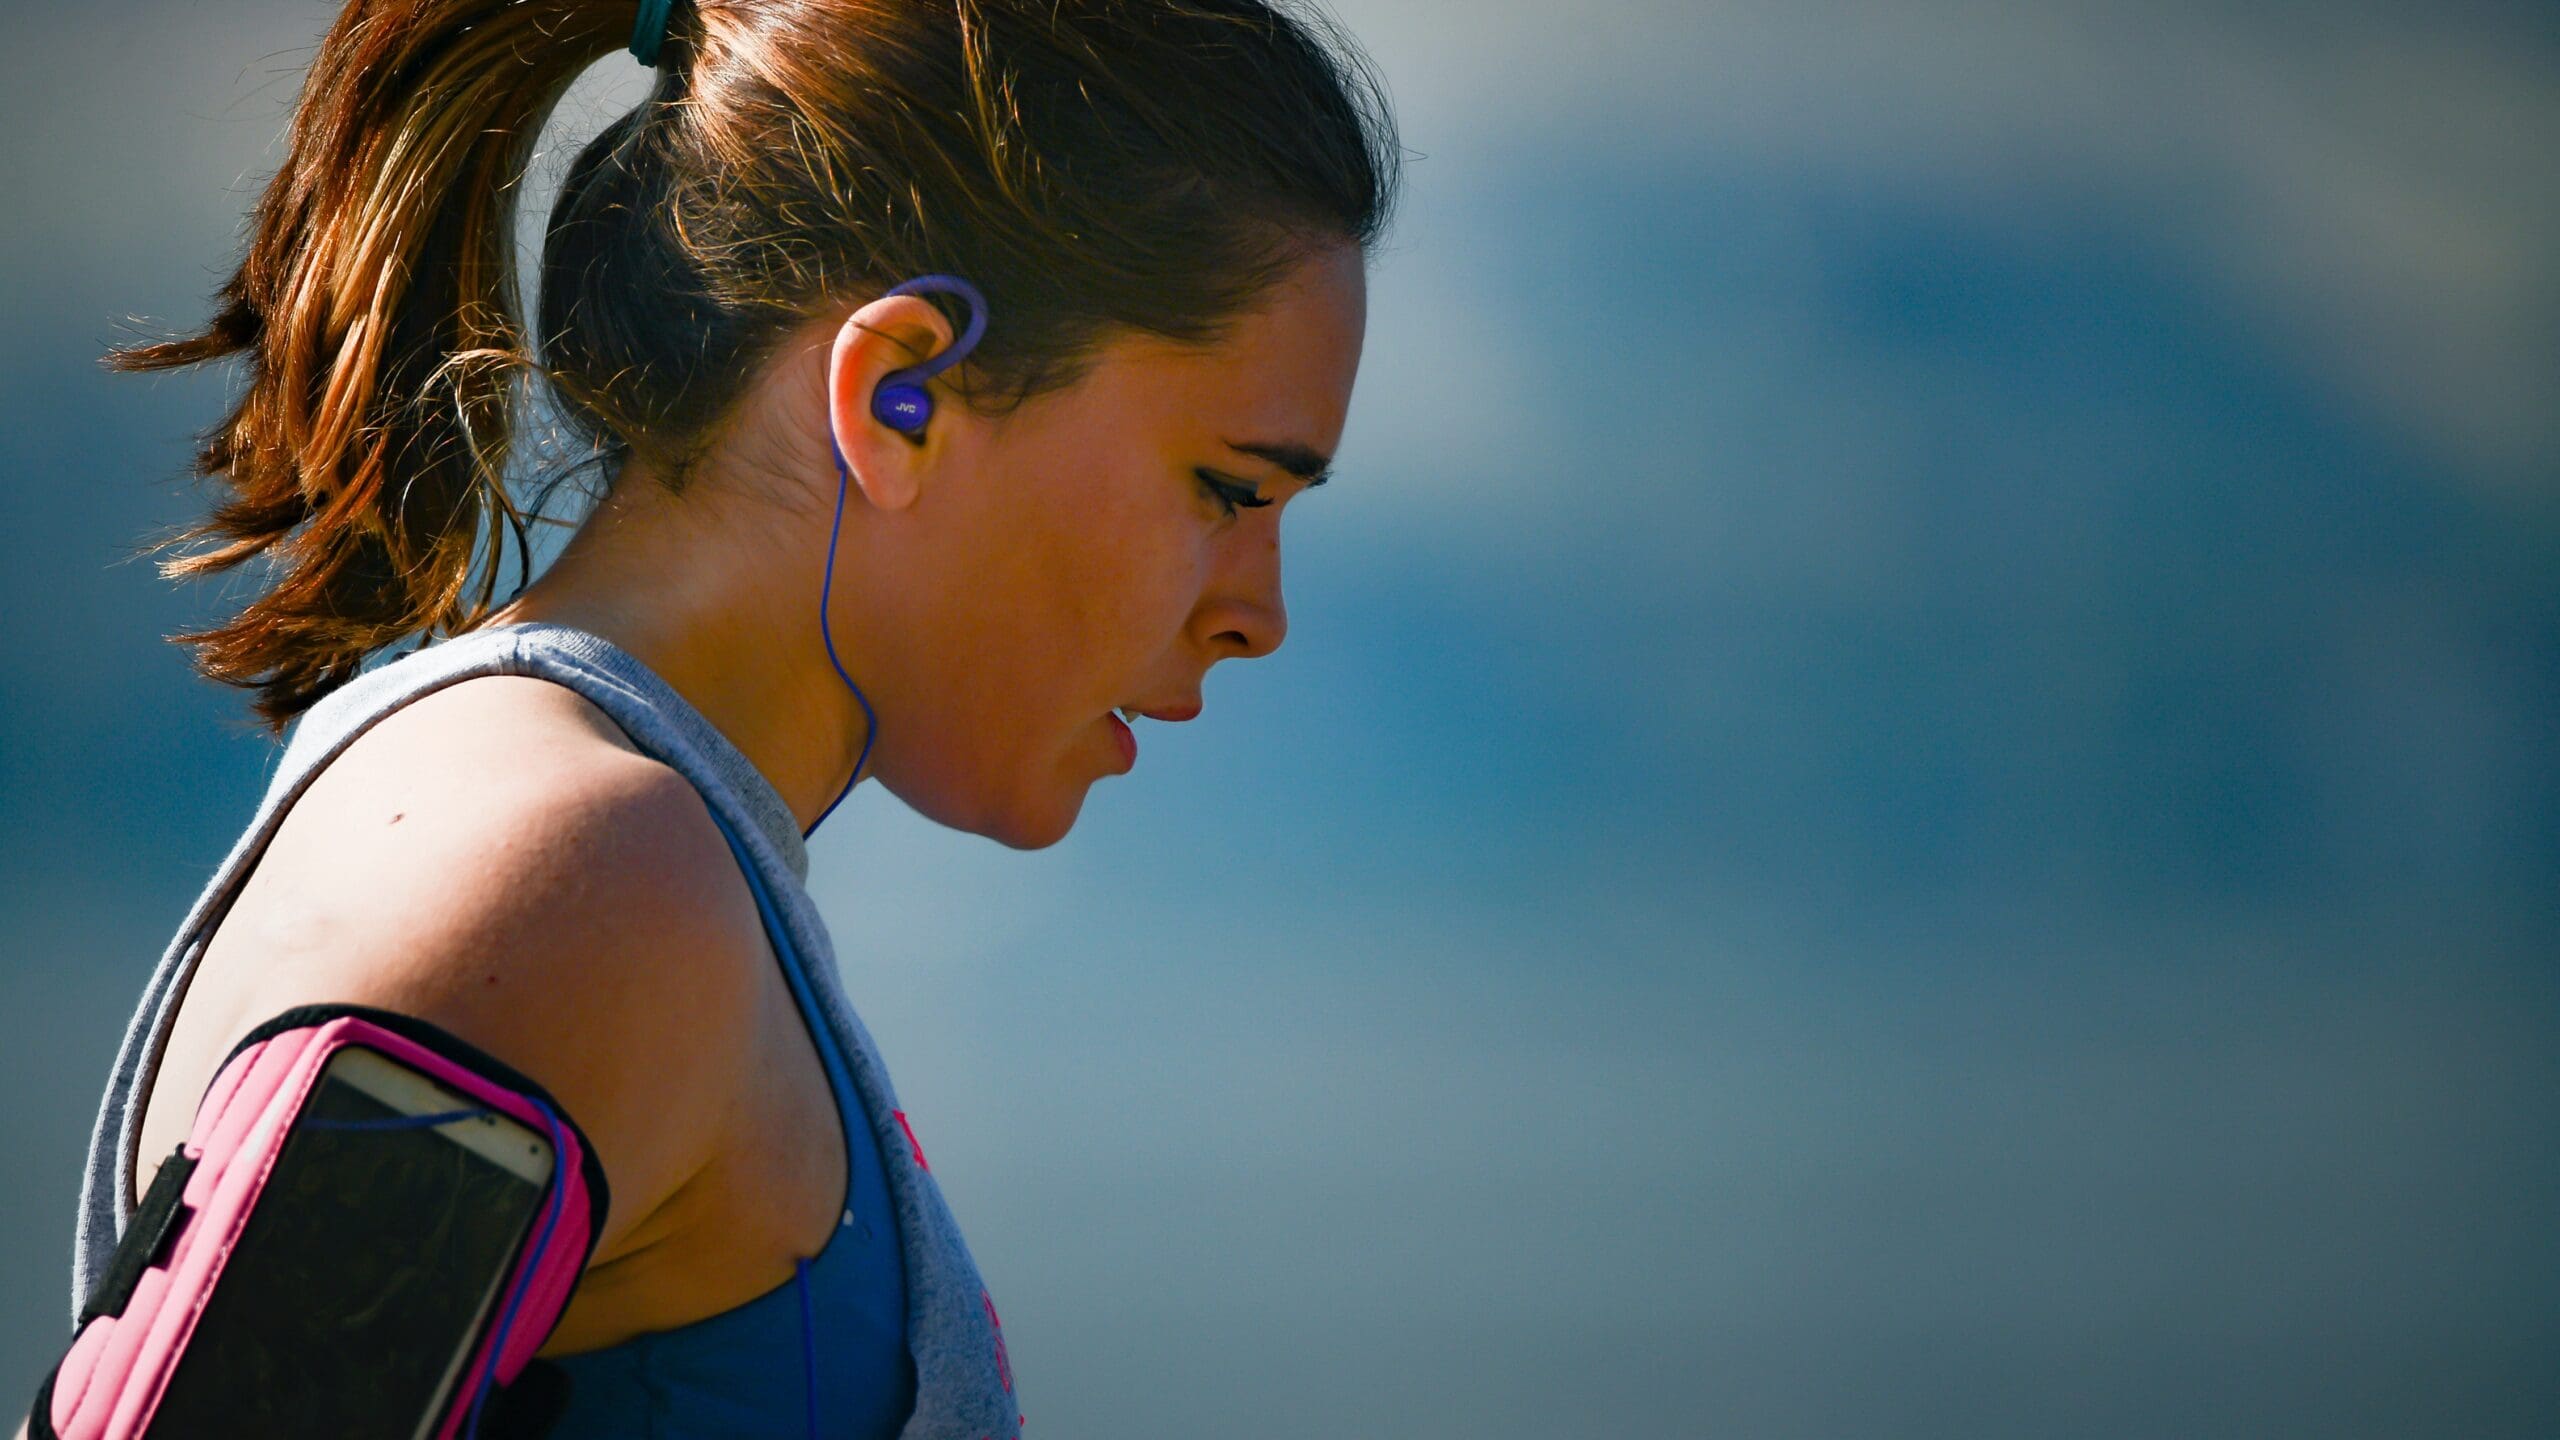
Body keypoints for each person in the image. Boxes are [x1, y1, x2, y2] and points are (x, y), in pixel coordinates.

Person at [46, 0, 1399, 1434]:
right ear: (902, 396)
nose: (1261, 614)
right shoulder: (579, 887)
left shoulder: (610, 857)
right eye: (1231, 490)